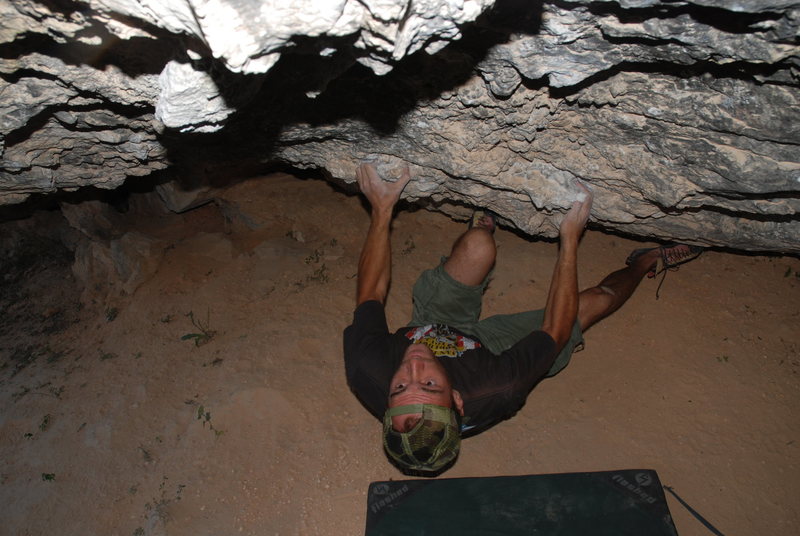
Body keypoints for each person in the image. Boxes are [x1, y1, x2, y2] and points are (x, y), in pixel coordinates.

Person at [343, 162, 702, 475]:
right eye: (430, 386)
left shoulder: (367, 368)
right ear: (456, 399)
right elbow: (555, 329)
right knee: (596, 301)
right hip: (493, 350)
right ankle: (644, 262)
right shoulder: (500, 385)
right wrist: (570, 241)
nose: (414, 367)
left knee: (478, 246)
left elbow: (371, 293)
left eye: (400, 387)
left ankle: (483, 226)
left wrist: (382, 208)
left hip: (432, 321)